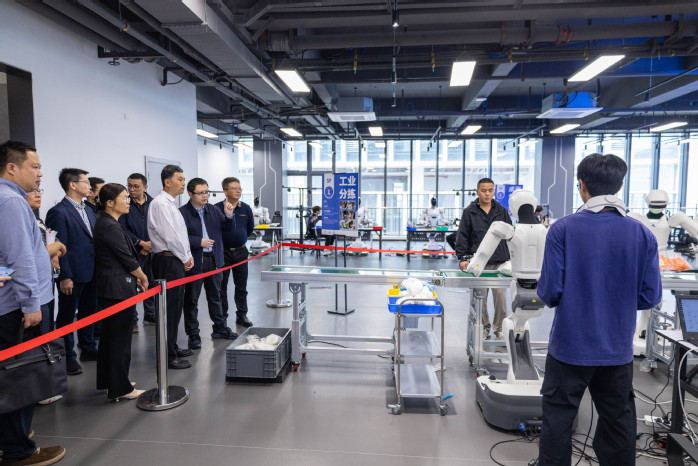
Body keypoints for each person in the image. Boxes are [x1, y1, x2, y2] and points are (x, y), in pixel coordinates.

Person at [535, 153, 662, 466]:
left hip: (569, 349)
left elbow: (550, 292)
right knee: (618, 424)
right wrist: (617, 300)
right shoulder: (642, 233)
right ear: (620, 185)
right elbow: (650, 297)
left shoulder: (562, 229)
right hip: (617, 351)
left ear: (581, 185)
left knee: (558, 422)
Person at [0, 140, 66, 465]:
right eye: (35, 167)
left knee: (13, 376)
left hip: (13, 304)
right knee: (19, 377)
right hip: (16, 308)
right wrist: (31, 304)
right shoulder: (12, 201)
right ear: (12, 168)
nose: (40, 174)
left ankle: (13, 439)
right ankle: (18, 450)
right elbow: (21, 257)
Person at [93, 183, 148, 401]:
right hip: (117, 289)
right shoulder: (109, 225)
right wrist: (142, 276)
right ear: (109, 202)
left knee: (111, 338)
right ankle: (120, 388)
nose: (128, 202)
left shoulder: (109, 222)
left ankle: (113, 382)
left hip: (113, 286)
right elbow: (126, 257)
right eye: (124, 198)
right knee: (119, 340)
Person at [46, 168, 98, 376]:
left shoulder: (89, 210)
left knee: (89, 312)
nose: (89, 186)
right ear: (73, 185)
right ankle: (67, 356)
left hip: (91, 270)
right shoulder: (58, 212)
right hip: (72, 274)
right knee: (67, 316)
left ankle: (88, 347)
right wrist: (64, 275)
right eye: (86, 182)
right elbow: (59, 247)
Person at [180, 178, 236, 349]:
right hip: (195, 261)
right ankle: (193, 334)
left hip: (214, 259)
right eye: (201, 193)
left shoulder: (213, 210)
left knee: (216, 296)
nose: (205, 196)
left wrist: (229, 216)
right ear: (190, 194)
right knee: (191, 300)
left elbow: (227, 230)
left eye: (207, 192)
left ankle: (219, 328)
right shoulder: (182, 213)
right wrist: (198, 241)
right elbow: (179, 238)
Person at [148, 165, 194, 370]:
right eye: (180, 179)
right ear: (167, 182)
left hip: (175, 259)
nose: (184, 183)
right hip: (168, 261)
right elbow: (170, 236)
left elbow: (180, 235)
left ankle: (172, 346)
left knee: (175, 308)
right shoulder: (160, 204)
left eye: (184, 179)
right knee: (169, 310)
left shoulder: (171, 203)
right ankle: (168, 355)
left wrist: (187, 255)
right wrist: (185, 257)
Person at [455, 178, 512, 340]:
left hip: (500, 262)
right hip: (479, 263)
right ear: (477, 192)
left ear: (494, 191)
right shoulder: (469, 212)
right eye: (484, 190)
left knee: (500, 298)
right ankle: (484, 327)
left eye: (490, 190)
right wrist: (463, 258)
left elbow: (510, 234)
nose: (487, 194)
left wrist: (511, 256)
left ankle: (499, 328)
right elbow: (463, 236)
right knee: (480, 298)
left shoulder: (501, 210)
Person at [119, 173, 156, 328]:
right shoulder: (124, 203)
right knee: (132, 285)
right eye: (129, 186)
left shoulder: (154, 203)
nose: (131, 189)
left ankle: (150, 314)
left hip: (151, 250)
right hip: (133, 251)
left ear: (145, 187)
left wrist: (150, 245)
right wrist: (140, 243)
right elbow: (122, 228)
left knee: (151, 282)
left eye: (136, 186)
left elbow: (158, 226)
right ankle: (132, 319)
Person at [217, 177, 255, 328]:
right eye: (234, 188)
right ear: (225, 191)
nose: (238, 191)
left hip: (241, 252)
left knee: (241, 287)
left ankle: (242, 315)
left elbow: (250, 228)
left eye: (239, 188)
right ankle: (223, 317)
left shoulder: (245, 208)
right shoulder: (216, 208)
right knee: (221, 288)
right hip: (222, 253)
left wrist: (240, 238)